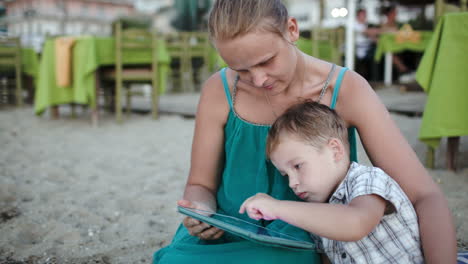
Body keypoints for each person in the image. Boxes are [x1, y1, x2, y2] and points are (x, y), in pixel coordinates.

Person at [153, 0, 456, 263]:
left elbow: (424, 195)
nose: (257, 80)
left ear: (292, 30)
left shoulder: (346, 90)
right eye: (240, 70)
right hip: (227, 232)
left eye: (266, 61)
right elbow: (200, 185)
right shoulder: (219, 90)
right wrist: (201, 211)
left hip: (300, 239)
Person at [240, 101, 424, 263]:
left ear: (335, 150)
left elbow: (356, 223)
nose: (292, 183)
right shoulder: (319, 212)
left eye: (297, 166)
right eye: (285, 175)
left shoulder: (368, 179)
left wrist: (277, 208)